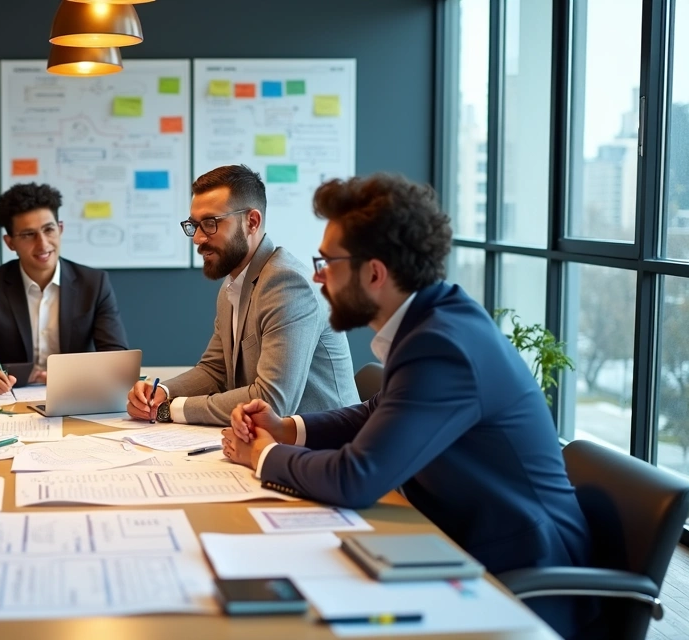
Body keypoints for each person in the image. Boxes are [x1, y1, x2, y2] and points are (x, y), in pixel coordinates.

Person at [221, 173, 593, 638]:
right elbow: (378, 408)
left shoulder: (442, 344)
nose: (318, 275)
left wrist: (263, 455)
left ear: (374, 272)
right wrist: (288, 429)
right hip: (453, 544)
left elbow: (356, 479)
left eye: (328, 261)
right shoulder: (433, 320)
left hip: (520, 581)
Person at [126, 164, 358, 426]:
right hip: (271, 443)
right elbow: (215, 370)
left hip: (325, 448)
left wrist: (173, 409)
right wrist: (162, 393)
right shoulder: (233, 283)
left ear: (252, 222)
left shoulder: (286, 284)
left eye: (210, 223)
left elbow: (272, 402)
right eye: (194, 225)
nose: (198, 238)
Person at [0, 183, 129, 394]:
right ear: (10, 242)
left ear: (61, 229)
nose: (42, 244)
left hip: (75, 392)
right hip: (10, 395)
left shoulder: (94, 283)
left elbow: (116, 356)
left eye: (49, 230)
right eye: (28, 235)